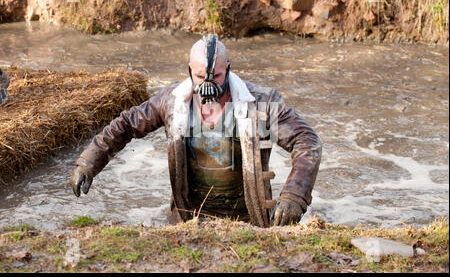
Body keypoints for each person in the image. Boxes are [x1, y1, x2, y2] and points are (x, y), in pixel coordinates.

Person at [70, 34, 322, 226]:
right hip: (189, 219)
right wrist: (88, 162)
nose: (209, 84)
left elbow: (306, 141)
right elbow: (126, 125)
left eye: (218, 76)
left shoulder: (261, 102)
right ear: (189, 71)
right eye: (201, 77)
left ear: (229, 69)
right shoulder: (170, 101)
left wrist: (294, 196)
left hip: (249, 219)